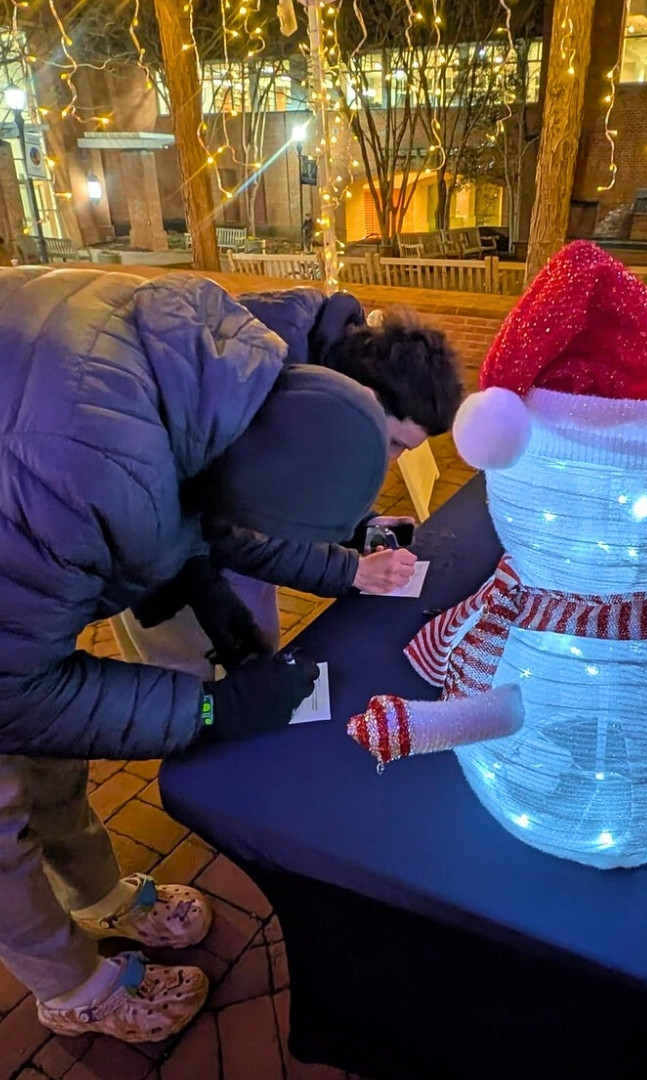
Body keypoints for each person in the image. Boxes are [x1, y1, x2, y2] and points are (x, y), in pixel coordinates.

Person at [0, 266, 438, 1044]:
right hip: (34, 486)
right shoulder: (87, 485)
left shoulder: (232, 362)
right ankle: (70, 987)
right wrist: (210, 708)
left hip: (33, 464)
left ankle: (95, 892)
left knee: (49, 753)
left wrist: (210, 580)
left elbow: (214, 519)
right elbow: (17, 693)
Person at [110, 292, 463, 679]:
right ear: (368, 398)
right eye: (395, 442)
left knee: (257, 664)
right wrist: (351, 572)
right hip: (157, 549)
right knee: (184, 682)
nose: (391, 460)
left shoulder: (329, 367)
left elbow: (304, 479)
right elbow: (235, 532)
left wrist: (359, 524)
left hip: (211, 540)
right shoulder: (259, 381)